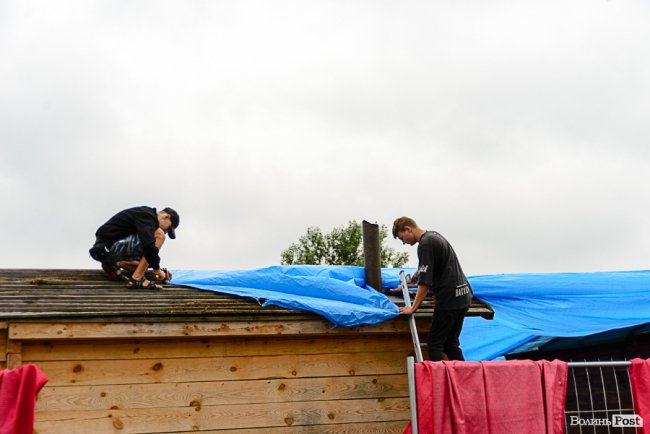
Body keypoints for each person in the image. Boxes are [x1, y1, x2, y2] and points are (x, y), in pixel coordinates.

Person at [392, 216, 473, 361]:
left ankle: (438, 382)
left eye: (402, 238)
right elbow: (424, 270)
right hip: (464, 294)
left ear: (408, 229)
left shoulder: (426, 244)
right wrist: (409, 282)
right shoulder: (434, 236)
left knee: (435, 343)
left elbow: (424, 283)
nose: (404, 243)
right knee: (451, 343)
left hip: (449, 297)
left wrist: (413, 308)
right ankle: (463, 380)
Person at [89, 206, 180, 289]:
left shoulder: (144, 218)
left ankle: (115, 264)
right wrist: (157, 269)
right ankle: (138, 279)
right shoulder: (148, 215)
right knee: (159, 235)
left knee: (143, 264)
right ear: (166, 217)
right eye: (168, 229)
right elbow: (148, 246)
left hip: (103, 250)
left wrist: (157, 271)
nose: (166, 232)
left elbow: (147, 257)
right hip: (107, 247)